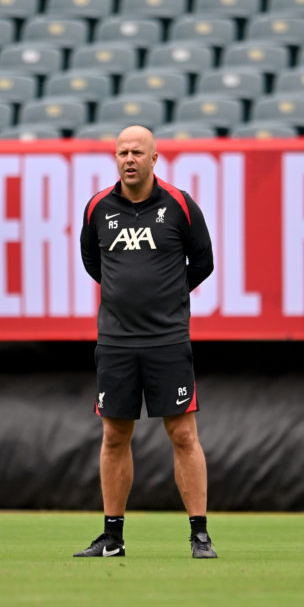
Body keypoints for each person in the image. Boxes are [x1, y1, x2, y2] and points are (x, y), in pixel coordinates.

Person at [74, 125, 217, 559]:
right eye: (122, 152)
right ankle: (112, 538)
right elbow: (92, 261)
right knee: (115, 435)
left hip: (167, 340)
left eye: (138, 152)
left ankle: (199, 535)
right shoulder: (99, 208)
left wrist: (168, 297)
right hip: (116, 342)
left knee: (183, 434)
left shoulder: (178, 205)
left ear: (155, 159)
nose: (129, 158)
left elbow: (204, 261)